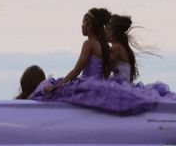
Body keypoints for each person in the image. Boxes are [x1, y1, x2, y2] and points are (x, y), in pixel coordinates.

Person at [30, 8, 162, 115]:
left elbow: (77, 70)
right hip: (99, 82)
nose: (81, 26)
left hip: (88, 81)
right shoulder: (103, 45)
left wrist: (59, 86)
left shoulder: (89, 44)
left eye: (84, 22)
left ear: (90, 25)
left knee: (51, 89)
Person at [106, 14, 176, 111]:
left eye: (108, 30)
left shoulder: (116, 48)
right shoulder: (123, 47)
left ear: (113, 32)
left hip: (120, 84)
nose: (106, 33)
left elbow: (107, 68)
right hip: (123, 83)